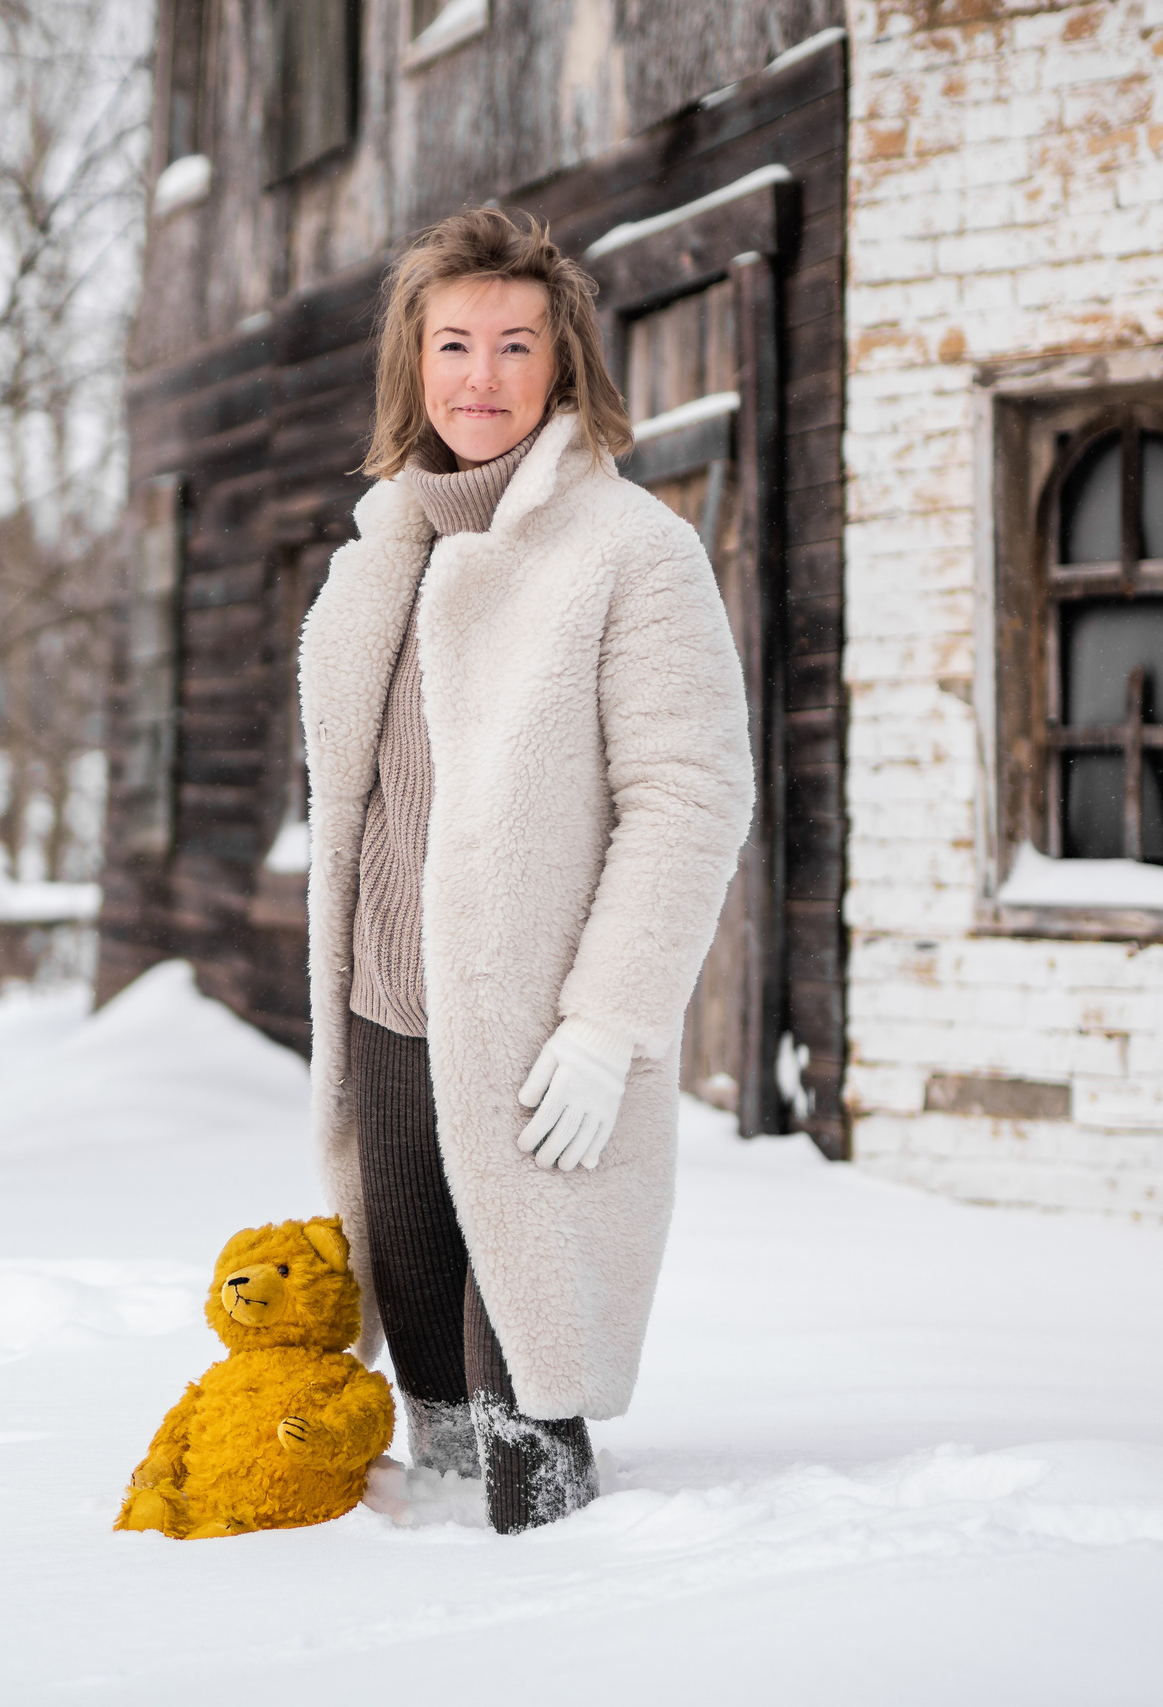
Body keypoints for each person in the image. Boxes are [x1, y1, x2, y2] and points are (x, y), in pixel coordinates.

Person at [296, 207, 754, 1533]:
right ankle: (432, 1586)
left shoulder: (631, 549)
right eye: (454, 344)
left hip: (536, 1032)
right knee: (428, 1377)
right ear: (414, 362)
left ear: (564, 366)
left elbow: (689, 796)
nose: (481, 377)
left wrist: (609, 1023)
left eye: (515, 345)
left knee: (528, 1399)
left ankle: (553, 1600)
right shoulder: (384, 552)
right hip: (388, 1009)